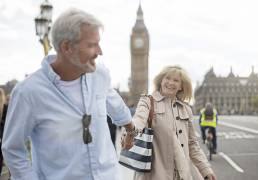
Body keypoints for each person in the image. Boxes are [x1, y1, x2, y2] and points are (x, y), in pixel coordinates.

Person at [2, 8, 136, 180]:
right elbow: (12, 149)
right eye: (92, 45)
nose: (99, 51)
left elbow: (115, 103)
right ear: (66, 47)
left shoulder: (99, 73)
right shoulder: (28, 93)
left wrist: (131, 130)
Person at [123, 66, 216, 180]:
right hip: (154, 175)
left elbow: (192, 144)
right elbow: (138, 120)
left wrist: (206, 170)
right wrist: (129, 133)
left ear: (181, 86)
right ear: (161, 81)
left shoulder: (186, 109)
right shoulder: (148, 101)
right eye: (167, 78)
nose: (170, 82)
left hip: (181, 175)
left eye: (176, 80)